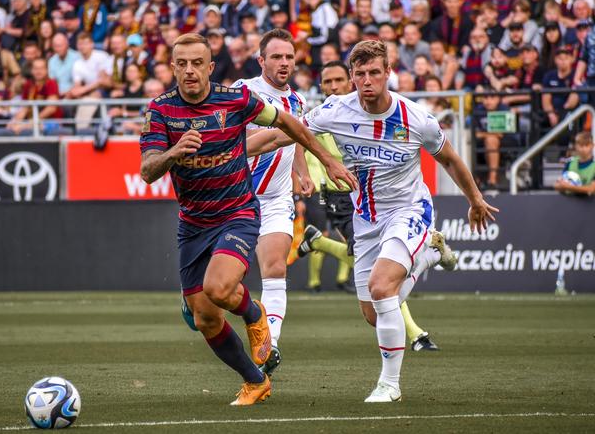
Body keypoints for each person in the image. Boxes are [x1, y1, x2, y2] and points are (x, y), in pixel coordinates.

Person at [139, 33, 356, 406]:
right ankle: (256, 381)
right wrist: (174, 152)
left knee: (220, 289)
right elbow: (147, 170)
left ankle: (257, 317)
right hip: (193, 222)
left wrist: (326, 158)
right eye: (182, 64)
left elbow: (286, 124)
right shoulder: (160, 111)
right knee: (204, 318)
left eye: (197, 63)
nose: (189, 71)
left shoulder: (235, 99)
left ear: (210, 67)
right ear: (172, 67)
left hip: (238, 211)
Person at [295, 40, 497, 402]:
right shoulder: (335, 110)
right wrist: (239, 146)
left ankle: (390, 385)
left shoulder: (416, 118)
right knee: (374, 314)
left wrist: (475, 199)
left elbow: (448, 159)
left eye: (375, 72)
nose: (367, 80)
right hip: (366, 218)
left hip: (408, 210)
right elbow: (294, 130)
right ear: (352, 78)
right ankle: (430, 255)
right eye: (360, 74)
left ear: (389, 72)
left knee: (382, 286)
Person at [295, 60, 442, 351]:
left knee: (383, 273)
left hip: (365, 197)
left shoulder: (362, 110)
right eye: (328, 82)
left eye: (338, 80)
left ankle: (415, 334)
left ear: (348, 82)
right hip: (334, 194)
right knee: (377, 273)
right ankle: (415, 332)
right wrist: (302, 173)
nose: (334, 86)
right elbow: (296, 136)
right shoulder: (327, 113)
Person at [231, 29, 314, 377]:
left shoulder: (297, 101)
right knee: (220, 285)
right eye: (276, 57)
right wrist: (283, 133)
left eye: (289, 57)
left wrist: (303, 172)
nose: (284, 63)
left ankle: (270, 344)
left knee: (275, 268)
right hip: (236, 196)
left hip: (277, 198)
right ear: (261, 60)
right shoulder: (244, 91)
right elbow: (240, 139)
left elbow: (295, 142)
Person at [554, 132, 595, 196]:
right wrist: (560, 186)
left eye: (586, 145)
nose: (583, 149)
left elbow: (592, 189)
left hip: (589, 204)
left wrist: (569, 187)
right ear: (575, 146)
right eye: (581, 145)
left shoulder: (593, 166)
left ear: (592, 146)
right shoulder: (570, 163)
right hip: (570, 203)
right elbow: (557, 184)